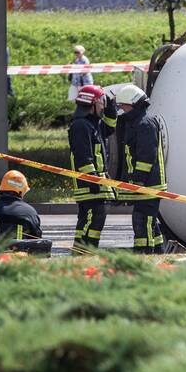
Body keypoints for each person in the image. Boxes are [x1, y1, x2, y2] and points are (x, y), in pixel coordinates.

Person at [114, 84, 167, 254]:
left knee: (142, 220)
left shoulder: (145, 123)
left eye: (123, 105)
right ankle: (158, 252)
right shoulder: (136, 122)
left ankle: (145, 255)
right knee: (148, 221)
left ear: (133, 103)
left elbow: (146, 156)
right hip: (145, 184)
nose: (121, 109)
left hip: (148, 184)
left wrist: (138, 179)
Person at [68, 84, 118, 249]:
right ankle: (85, 250)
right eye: (101, 102)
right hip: (88, 185)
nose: (103, 105)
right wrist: (93, 181)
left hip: (95, 182)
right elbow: (84, 157)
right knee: (93, 218)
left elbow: (110, 128)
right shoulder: (80, 126)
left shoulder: (93, 123)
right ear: (92, 104)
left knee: (93, 218)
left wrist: (111, 108)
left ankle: (83, 250)